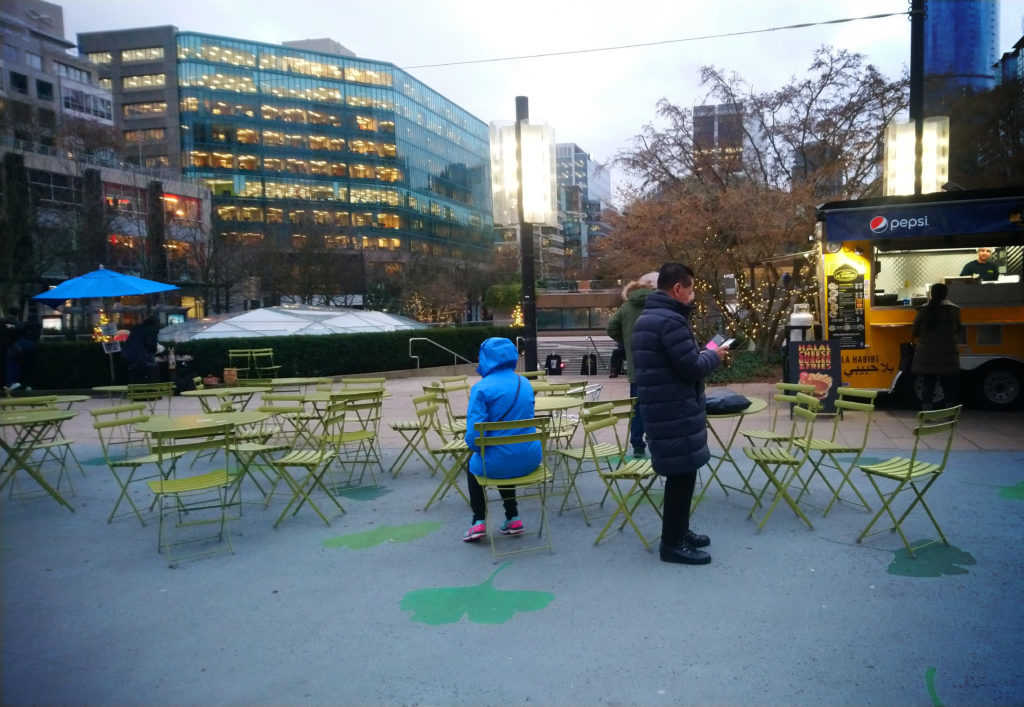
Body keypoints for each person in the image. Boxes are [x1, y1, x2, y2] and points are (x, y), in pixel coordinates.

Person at [632, 263, 728, 565]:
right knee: (681, 478)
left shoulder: (648, 318)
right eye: (692, 289)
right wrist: (714, 355)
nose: (693, 295)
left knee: (681, 475)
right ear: (678, 289)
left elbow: (676, 361)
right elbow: (691, 367)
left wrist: (702, 354)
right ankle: (672, 544)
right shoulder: (671, 321)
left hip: (663, 409)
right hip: (675, 410)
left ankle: (679, 532)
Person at [462, 337, 542, 542]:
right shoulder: (524, 383)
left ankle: (478, 521)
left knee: (475, 465)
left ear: (485, 358)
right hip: (530, 459)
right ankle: (513, 517)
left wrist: (476, 447)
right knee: (504, 454)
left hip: (496, 463)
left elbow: (474, 437)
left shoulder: (481, 389)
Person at [606, 271, 659, 458]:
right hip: (659, 367)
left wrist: (625, 342)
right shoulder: (658, 303)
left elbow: (611, 327)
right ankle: (659, 443)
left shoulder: (627, 306)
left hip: (636, 368)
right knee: (660, 406)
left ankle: (637, 445)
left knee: (637, 409)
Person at [911, 282, 961, 410]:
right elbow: (958, 329)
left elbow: (915, 331)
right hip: (947, 353)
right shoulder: (953, 310)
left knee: (928, 384)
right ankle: (949, 412)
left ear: (931, 293)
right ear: (946, 294)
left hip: (927, 354)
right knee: (948, 385)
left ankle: (927, 412)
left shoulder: (923, 309)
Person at [5, 313, 39, 392]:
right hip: (30, 346)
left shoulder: (14, 326)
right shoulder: (29, 326)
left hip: (21, 346)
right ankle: (27, 385)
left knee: (13, 364)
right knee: (28, 367)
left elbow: (13, 333)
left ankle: (12, 383)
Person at [122, 315, 160, 384]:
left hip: (130, 359)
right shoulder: (151, 330)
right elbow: (151, 346)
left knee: (136, 381)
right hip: (143, 361)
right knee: (151, 377)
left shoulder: (136, 328)